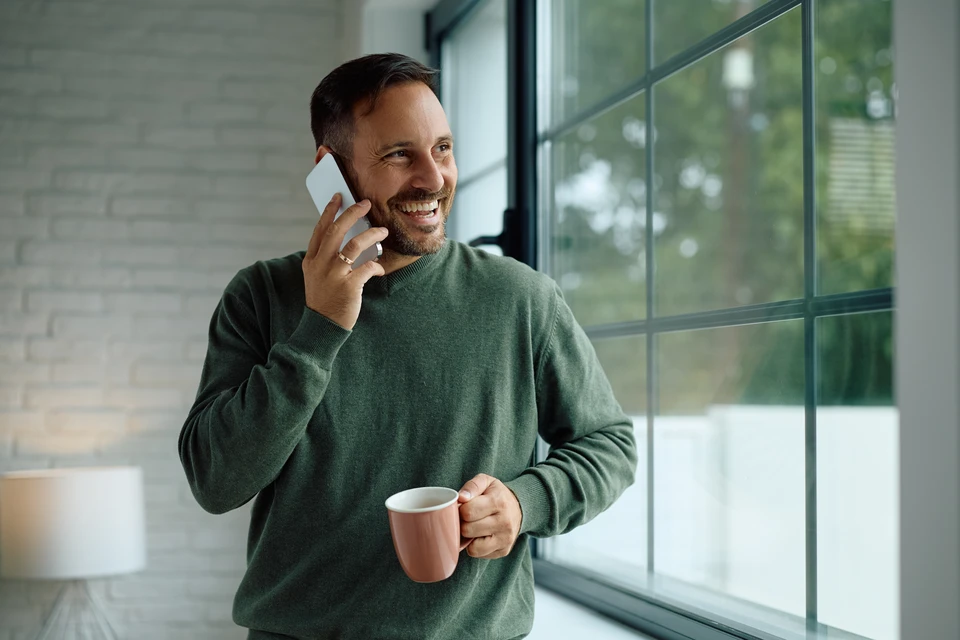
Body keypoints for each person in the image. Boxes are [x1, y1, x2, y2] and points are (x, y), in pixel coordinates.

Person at [178, 52, 637, 640]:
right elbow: (216, 482)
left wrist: (526, 503)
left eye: (442, 148)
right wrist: (319, 329)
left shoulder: (521, 299)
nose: (433, 178)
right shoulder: (261, 296)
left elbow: (610, 445)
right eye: (399, 155)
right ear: (331, 170)